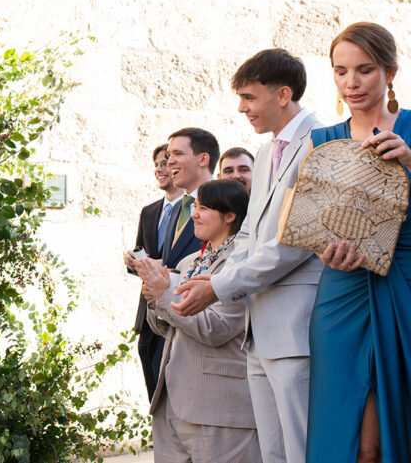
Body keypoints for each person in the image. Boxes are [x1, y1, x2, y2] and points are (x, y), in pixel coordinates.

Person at [174, 48, 321, 463]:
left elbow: (294, 242)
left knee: (302, 452)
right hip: (258, 333)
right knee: (272, 454)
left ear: (283, 94)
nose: (242, 109)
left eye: (249, 97)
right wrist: (209, 279)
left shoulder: (320, 141)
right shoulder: (269, 149)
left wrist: (219, 287)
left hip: (295, 329)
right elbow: (250, 235)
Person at [305, 22, 411, 463]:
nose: (351, 82)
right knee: (352, 440)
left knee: (392, 431)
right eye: (340, 70)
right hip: (340, 290)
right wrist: (321, 248)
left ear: (389, 72)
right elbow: (309, 221)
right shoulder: (321, 140)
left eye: (364, 70)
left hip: (404, 284)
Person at [137, 179, 260, 463]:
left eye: (203, 208)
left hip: (220, 407)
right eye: (195, 206)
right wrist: (155, 297)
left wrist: (164, 297)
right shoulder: (190, 262)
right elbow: (165, 328)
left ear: (230, 215)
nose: (194, 214)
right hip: (174, 402)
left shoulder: (243, 264)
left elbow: (214, 328)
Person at [124, 144, 183, 400]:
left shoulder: (195, 210)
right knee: (154, 394)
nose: (160, 168)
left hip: (179, 307)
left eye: (165, 162)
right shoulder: (149, 212)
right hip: (148, 313)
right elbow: (144, 254)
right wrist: (132, 261)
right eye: (157, 164)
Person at [161, 127, 219, 267]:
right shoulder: (177, 208)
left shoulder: (222, 205)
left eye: (178, 154)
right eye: (169, 155)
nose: (169, 162)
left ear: (203, 159)